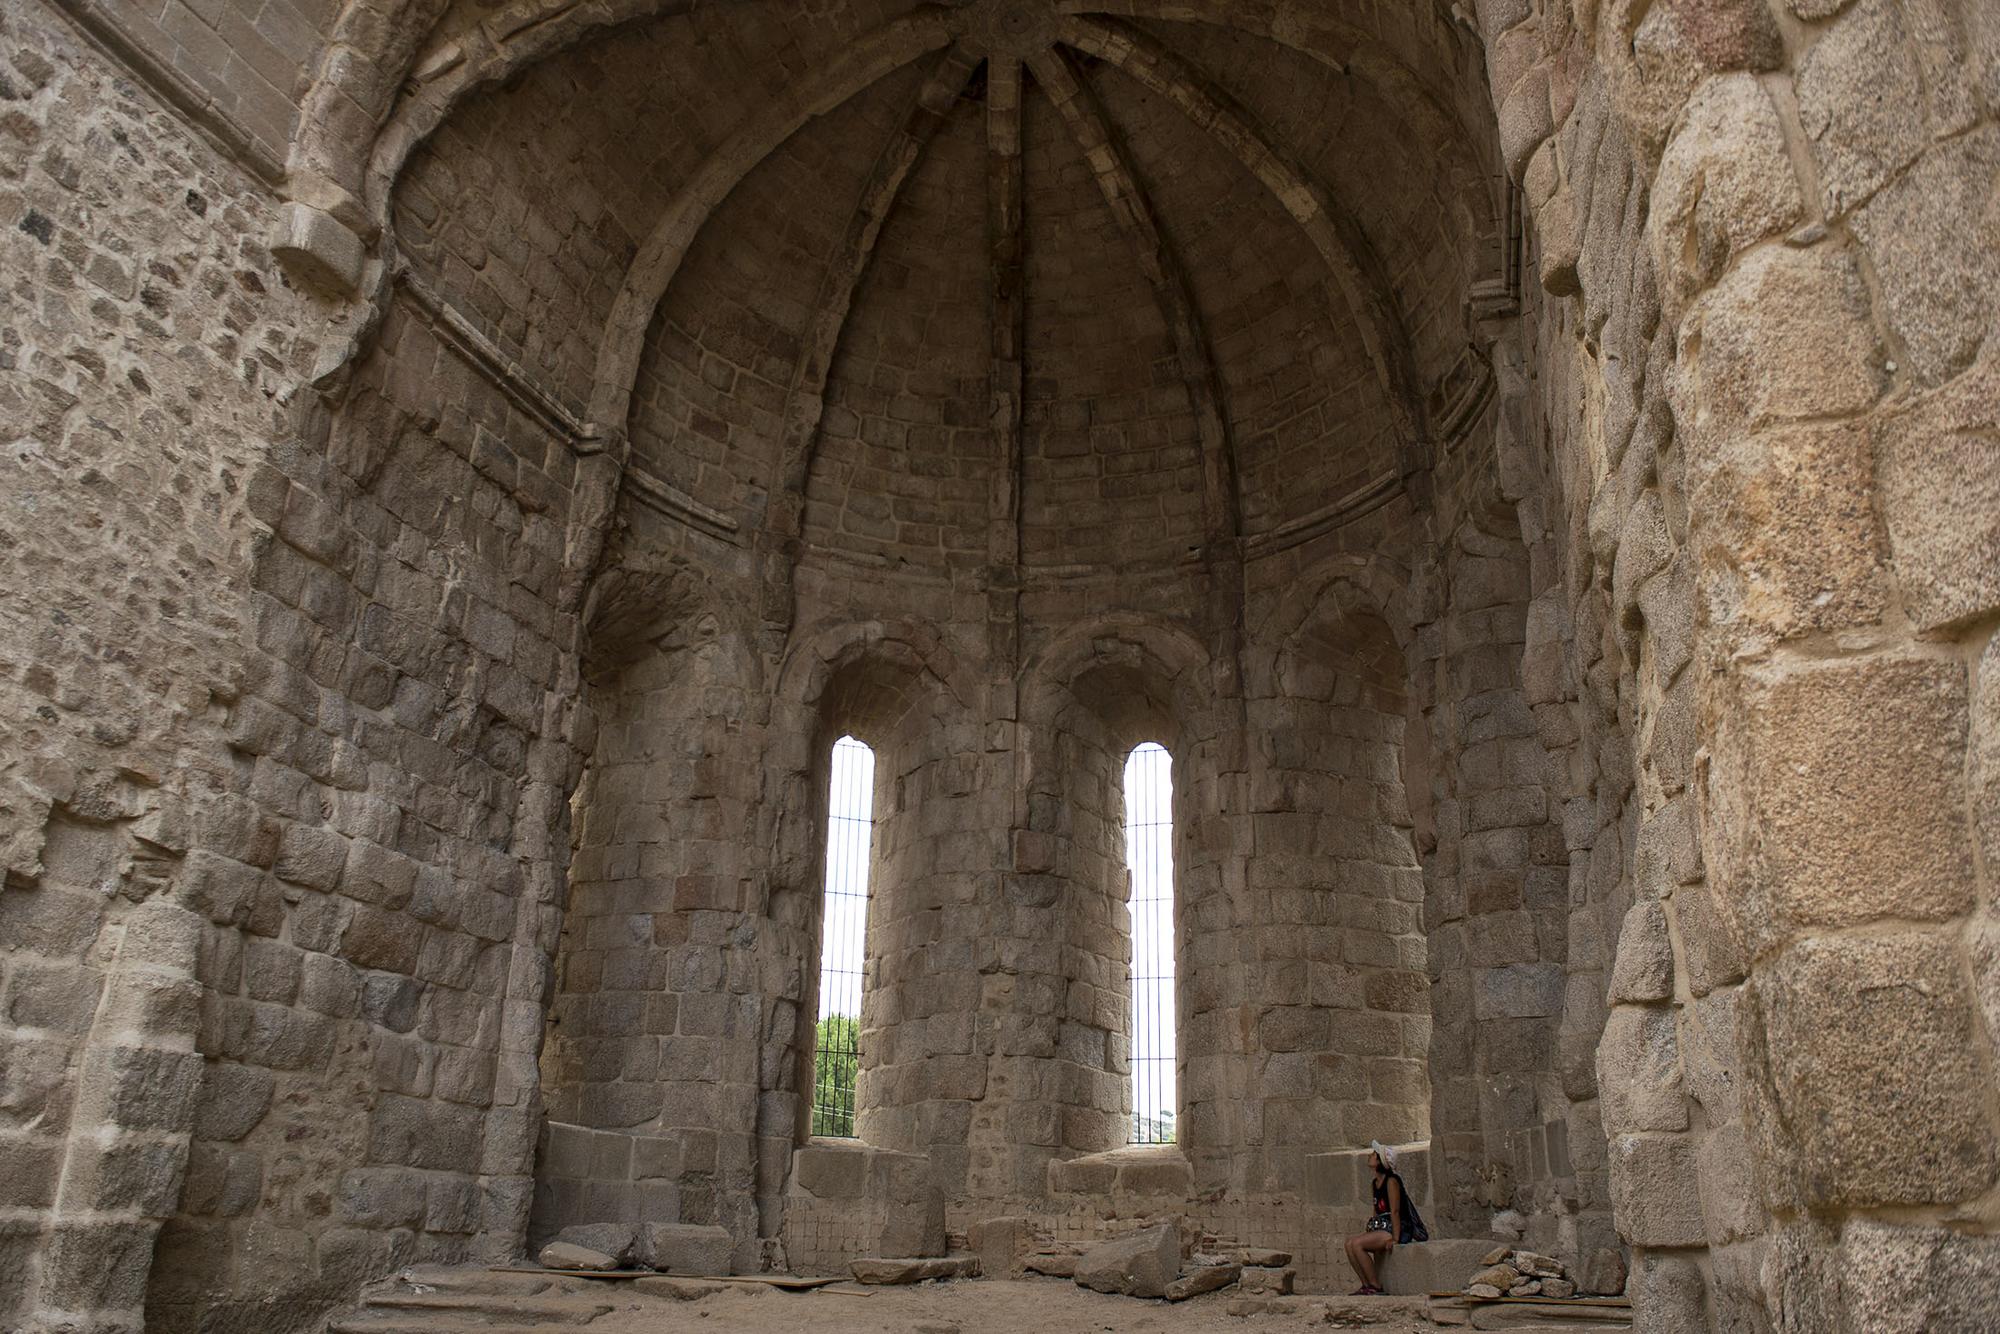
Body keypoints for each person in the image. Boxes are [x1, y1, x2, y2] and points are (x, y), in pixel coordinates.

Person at [1344, 1140, 1427, 1296]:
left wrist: (1395, 1239)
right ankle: (1366, 1284)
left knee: (1356, 1244)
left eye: (1374, 1155)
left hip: (1396, 1228)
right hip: (1383, 1226)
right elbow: (1377, 1211)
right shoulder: (1375, 1183)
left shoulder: (1391, 1182)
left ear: (1380, 1162)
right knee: (1349, 1244)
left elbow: (1395, 1211)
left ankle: (1375, 1284)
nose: (1370, 1156)